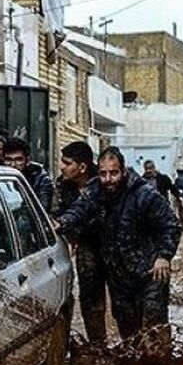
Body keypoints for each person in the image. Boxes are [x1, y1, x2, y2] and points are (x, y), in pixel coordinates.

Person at [57, 148, 182, 342]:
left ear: (123, 172)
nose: (108, 179)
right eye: (103, 173)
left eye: (114, 173)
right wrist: (62, 223)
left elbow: (171, 226)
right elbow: (79, 210)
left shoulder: (145, 194)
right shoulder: (95, 190)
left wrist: (164, 256)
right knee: (129, 337)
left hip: (151, 274)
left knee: (154, 334)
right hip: (120, 277)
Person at [51, 141, 107, 345]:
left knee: (124, 298)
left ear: (82, 167)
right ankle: (98, 346)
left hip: (115, 245)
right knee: (90, 297)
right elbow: (56, 214)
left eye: (67, 163)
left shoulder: (104, 180)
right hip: (86, 245)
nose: (62, 167)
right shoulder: (63, 185)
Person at [2, 137, 53, 209]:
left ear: (27, 160)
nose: (13, 164)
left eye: (18, 159)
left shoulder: (40, 179)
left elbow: (42, 208)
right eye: (8, 160)